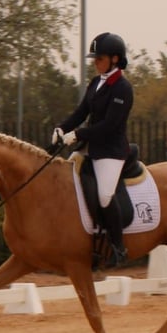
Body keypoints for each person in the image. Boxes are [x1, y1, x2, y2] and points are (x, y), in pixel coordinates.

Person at [52, 32, 134, 268]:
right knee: (66, 182)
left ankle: (118, 246)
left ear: (115, 59)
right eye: (95, 59)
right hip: (91, 147)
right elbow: (81, 112)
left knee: (104, 195)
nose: (95, 63)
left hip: (111, 151)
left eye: (99, 59)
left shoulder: (122, 88)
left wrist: (78, 134)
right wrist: (62, 128)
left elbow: (110, 125)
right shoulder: (96, 83)